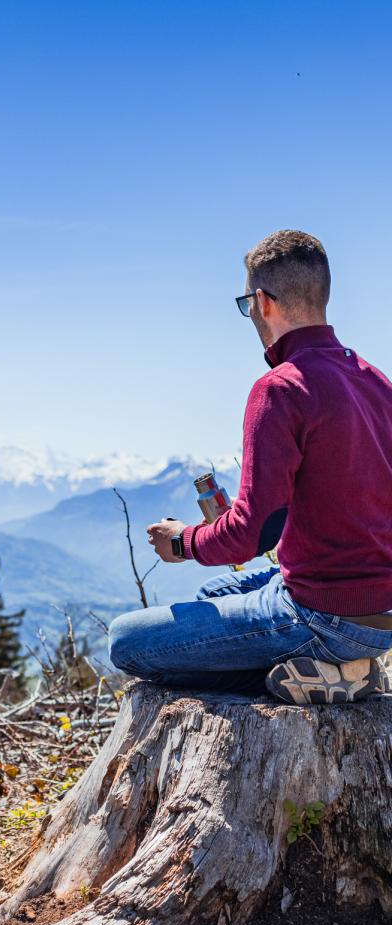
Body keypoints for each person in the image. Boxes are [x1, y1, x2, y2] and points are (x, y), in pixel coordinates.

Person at [108, 229, 392, 705]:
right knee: (214, 592)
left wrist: (182, 541)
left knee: (127, 642)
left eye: (247, 304)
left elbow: (251, 536)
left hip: (322, 615)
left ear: (263, 302)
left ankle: (330, 672)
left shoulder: (281, 388)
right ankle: (344, 667)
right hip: (379, 612)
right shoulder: (375, 382)